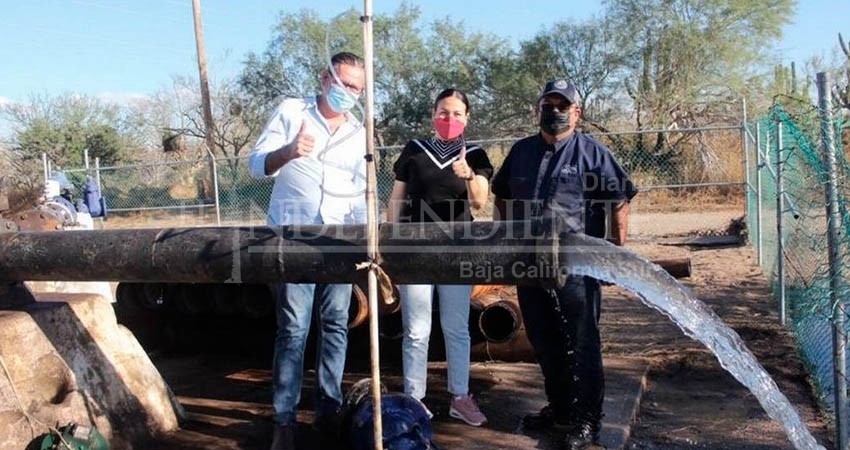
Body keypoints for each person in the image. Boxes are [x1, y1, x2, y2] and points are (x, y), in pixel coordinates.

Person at [491, 79, 637, 450]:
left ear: (577, 112)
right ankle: (560, 411)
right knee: (544, 340)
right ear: (538, 108)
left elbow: (619, 200)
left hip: (577, 267)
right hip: (529, 265)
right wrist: (509, 240)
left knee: (583, 343)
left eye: (562, 105)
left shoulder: (592, 154)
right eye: (548, 104)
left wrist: (615, 252)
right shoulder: (522, 152)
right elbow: (503, 194)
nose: (554, 111)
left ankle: (588, 420)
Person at [247, 52, 367, 450]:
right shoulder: (291, 111)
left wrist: (365, 240)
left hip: (340, 241)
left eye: (356, 88)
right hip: (293, 236)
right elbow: (256, 165)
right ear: (324, 77)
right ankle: (285, 419)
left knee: (335, 324)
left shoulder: (358, 131)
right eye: (344, 82)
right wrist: (289, 151)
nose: (348, 92)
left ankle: (328, 411)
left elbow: (360, 189)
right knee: (294, 328)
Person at [387, 88, 493, 427]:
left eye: (457, 113)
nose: (450, 119)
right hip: (416, 250)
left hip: (456, 250)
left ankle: (460, 396)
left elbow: (480, 202)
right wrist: (387, 242)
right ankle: (413, 398)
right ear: (433, 114)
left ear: (467, 117)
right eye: (444, 112)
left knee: (456, 327)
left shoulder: (475, 154)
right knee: (416, 329)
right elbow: (396, 199)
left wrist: (468, 175)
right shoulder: (414, 150)